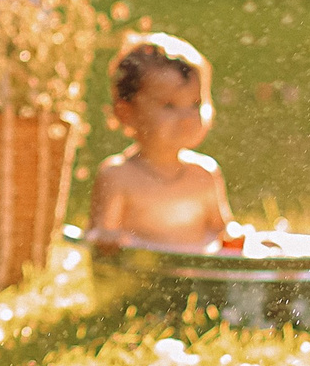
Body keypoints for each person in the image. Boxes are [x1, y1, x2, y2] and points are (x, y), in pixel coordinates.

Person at [86, 32, 237, 253]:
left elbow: (221, 230)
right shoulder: (118, 177)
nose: (187, 117)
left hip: (197, 278)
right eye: (169, 105)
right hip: (137, 280)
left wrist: (236, 235)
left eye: (195, 103)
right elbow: (99, 235)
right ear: (126, 113)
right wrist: (106, 238)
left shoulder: (204, 175)